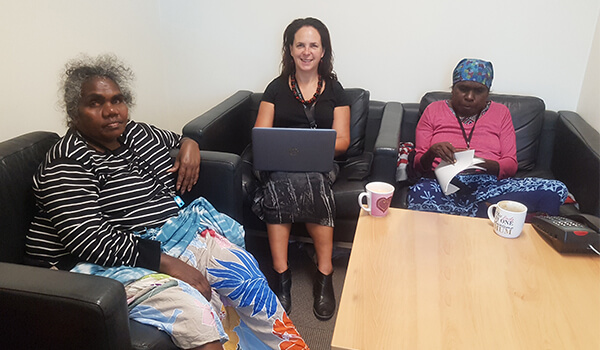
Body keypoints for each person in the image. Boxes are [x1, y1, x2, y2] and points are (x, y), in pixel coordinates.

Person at [25, 54, 308, 350]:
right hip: (104, 263)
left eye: (117, 100)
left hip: (172, 234)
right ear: (74, 112)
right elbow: (89, 240)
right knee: (194, 314)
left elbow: (177, 140)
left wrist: (190, 144)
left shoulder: (136, 133)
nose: (111, 111)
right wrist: (168, 263)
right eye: (95, 103)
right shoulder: (66, 163)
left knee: (243, 271)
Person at [252, 17, 350, 320]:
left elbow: (343, 141)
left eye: (313, 45)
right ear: (290, 50)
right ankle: (281, 275)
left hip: (321, 166)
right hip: (280, 165)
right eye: (300, 45)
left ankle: (325, 273)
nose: (306, 51)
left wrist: (313, 147)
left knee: (315, 183)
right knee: (281, 181)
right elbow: (261, 134)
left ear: (323, 52)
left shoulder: (335, 90)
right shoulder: (275, 89)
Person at [407, 58, 568, 217]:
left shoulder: (501, 113)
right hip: (443, 185)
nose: (469, 97)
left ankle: (477, 212)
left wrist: (480, 163)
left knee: (556, 189)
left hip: (489, 185)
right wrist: (433, 152)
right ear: (453, 89)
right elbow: (418, 164)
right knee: (419, 193)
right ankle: (494, 214)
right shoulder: (433, 110)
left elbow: (511, 165)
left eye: (478, 91)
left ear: (487, 93)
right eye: (463, 89)